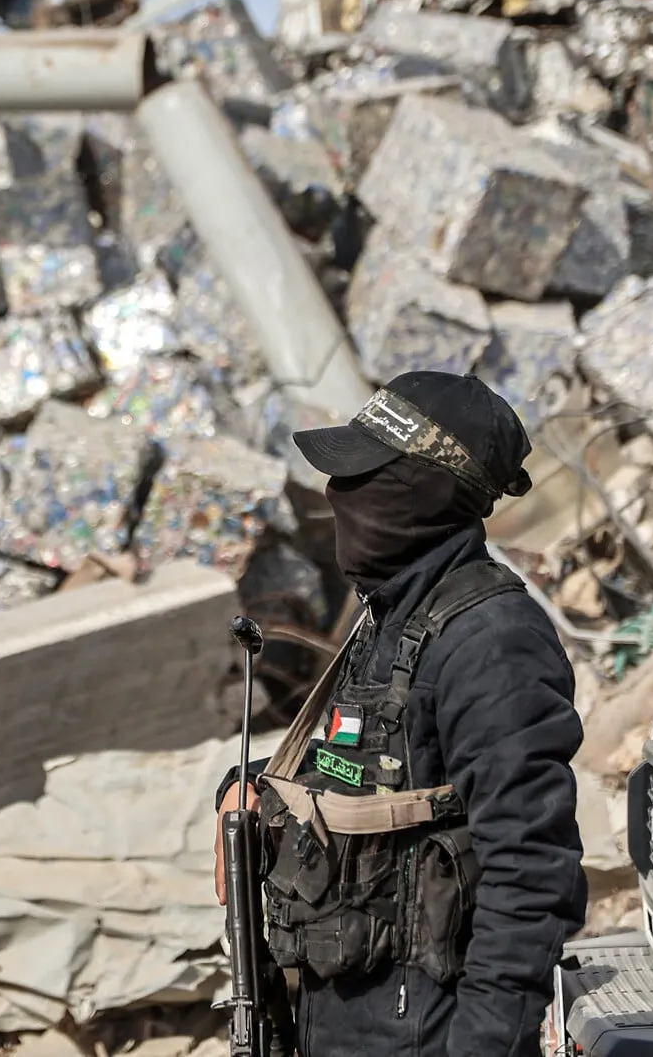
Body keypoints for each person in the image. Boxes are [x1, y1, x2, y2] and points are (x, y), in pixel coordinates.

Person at [216, 371, 585, 1057]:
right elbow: (360, 771)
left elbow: (531, 876)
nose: (338, 493)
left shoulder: (491, 640)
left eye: (364, 477)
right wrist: (250, 787)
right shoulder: (391, 615)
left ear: (426, 490)